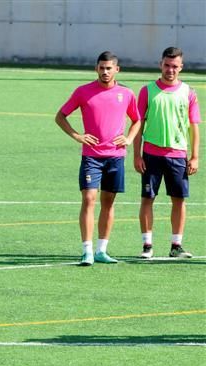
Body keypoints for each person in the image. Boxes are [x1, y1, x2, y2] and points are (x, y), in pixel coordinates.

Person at [55, 51, 141, 266]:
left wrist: (129, 138)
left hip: (115, 157)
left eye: (109, 68)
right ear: (96, 69)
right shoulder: (83, 92)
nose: (105, 72)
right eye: (101, 68)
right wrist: (78, 136)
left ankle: (102, 250)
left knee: (108, 203)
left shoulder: (126, 93)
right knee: (88, 199)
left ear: (117, 70)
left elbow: (137, 120)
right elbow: (60, 116)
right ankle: (87, 251)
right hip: (91, 157)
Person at [133, 46, 200, 259]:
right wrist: (136, 154)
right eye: (167, 65)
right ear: (160, 64)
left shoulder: (188, 92)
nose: (170, 69)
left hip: (178, 155)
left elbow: (194, 126)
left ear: (181, 67)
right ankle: (147, 246)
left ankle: (176, 245)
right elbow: (137, 125)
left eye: (174, 66)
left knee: (179, 200)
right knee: (147, 199)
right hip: (151, 155)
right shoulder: (147, 90)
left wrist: (195, 156)